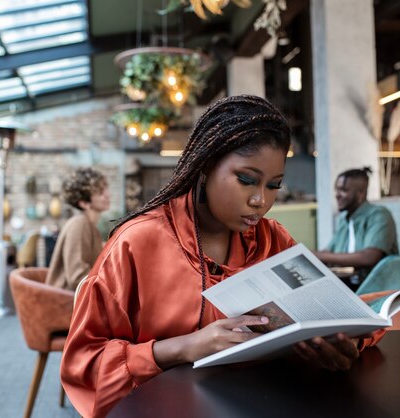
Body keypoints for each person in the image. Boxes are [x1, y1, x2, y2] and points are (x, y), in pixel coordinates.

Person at [60, 95, 381, 417]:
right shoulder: (137, 243)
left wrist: (341, 344)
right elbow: (84, 365)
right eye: (246, 180)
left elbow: (322, 316)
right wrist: (181, 347)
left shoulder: (272, 239)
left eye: (274, 186)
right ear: (205, 166)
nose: (260, 200)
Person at [315, 167, 399, 285]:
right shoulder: (344, 220)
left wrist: (319, 255)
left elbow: (369, 257)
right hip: (351, 284)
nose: (337, 195)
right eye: (336, 190)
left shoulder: (378, 215)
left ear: (361, 193)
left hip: (376, 287)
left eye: (343, 190)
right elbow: (328, 252)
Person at [45, 167, 110, 291]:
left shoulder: (90, 227)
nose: (107, 195)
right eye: (100, 192)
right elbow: (77, 277)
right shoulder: (79, 224)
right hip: (68, 303)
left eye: (105, 190)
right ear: (83, 203)